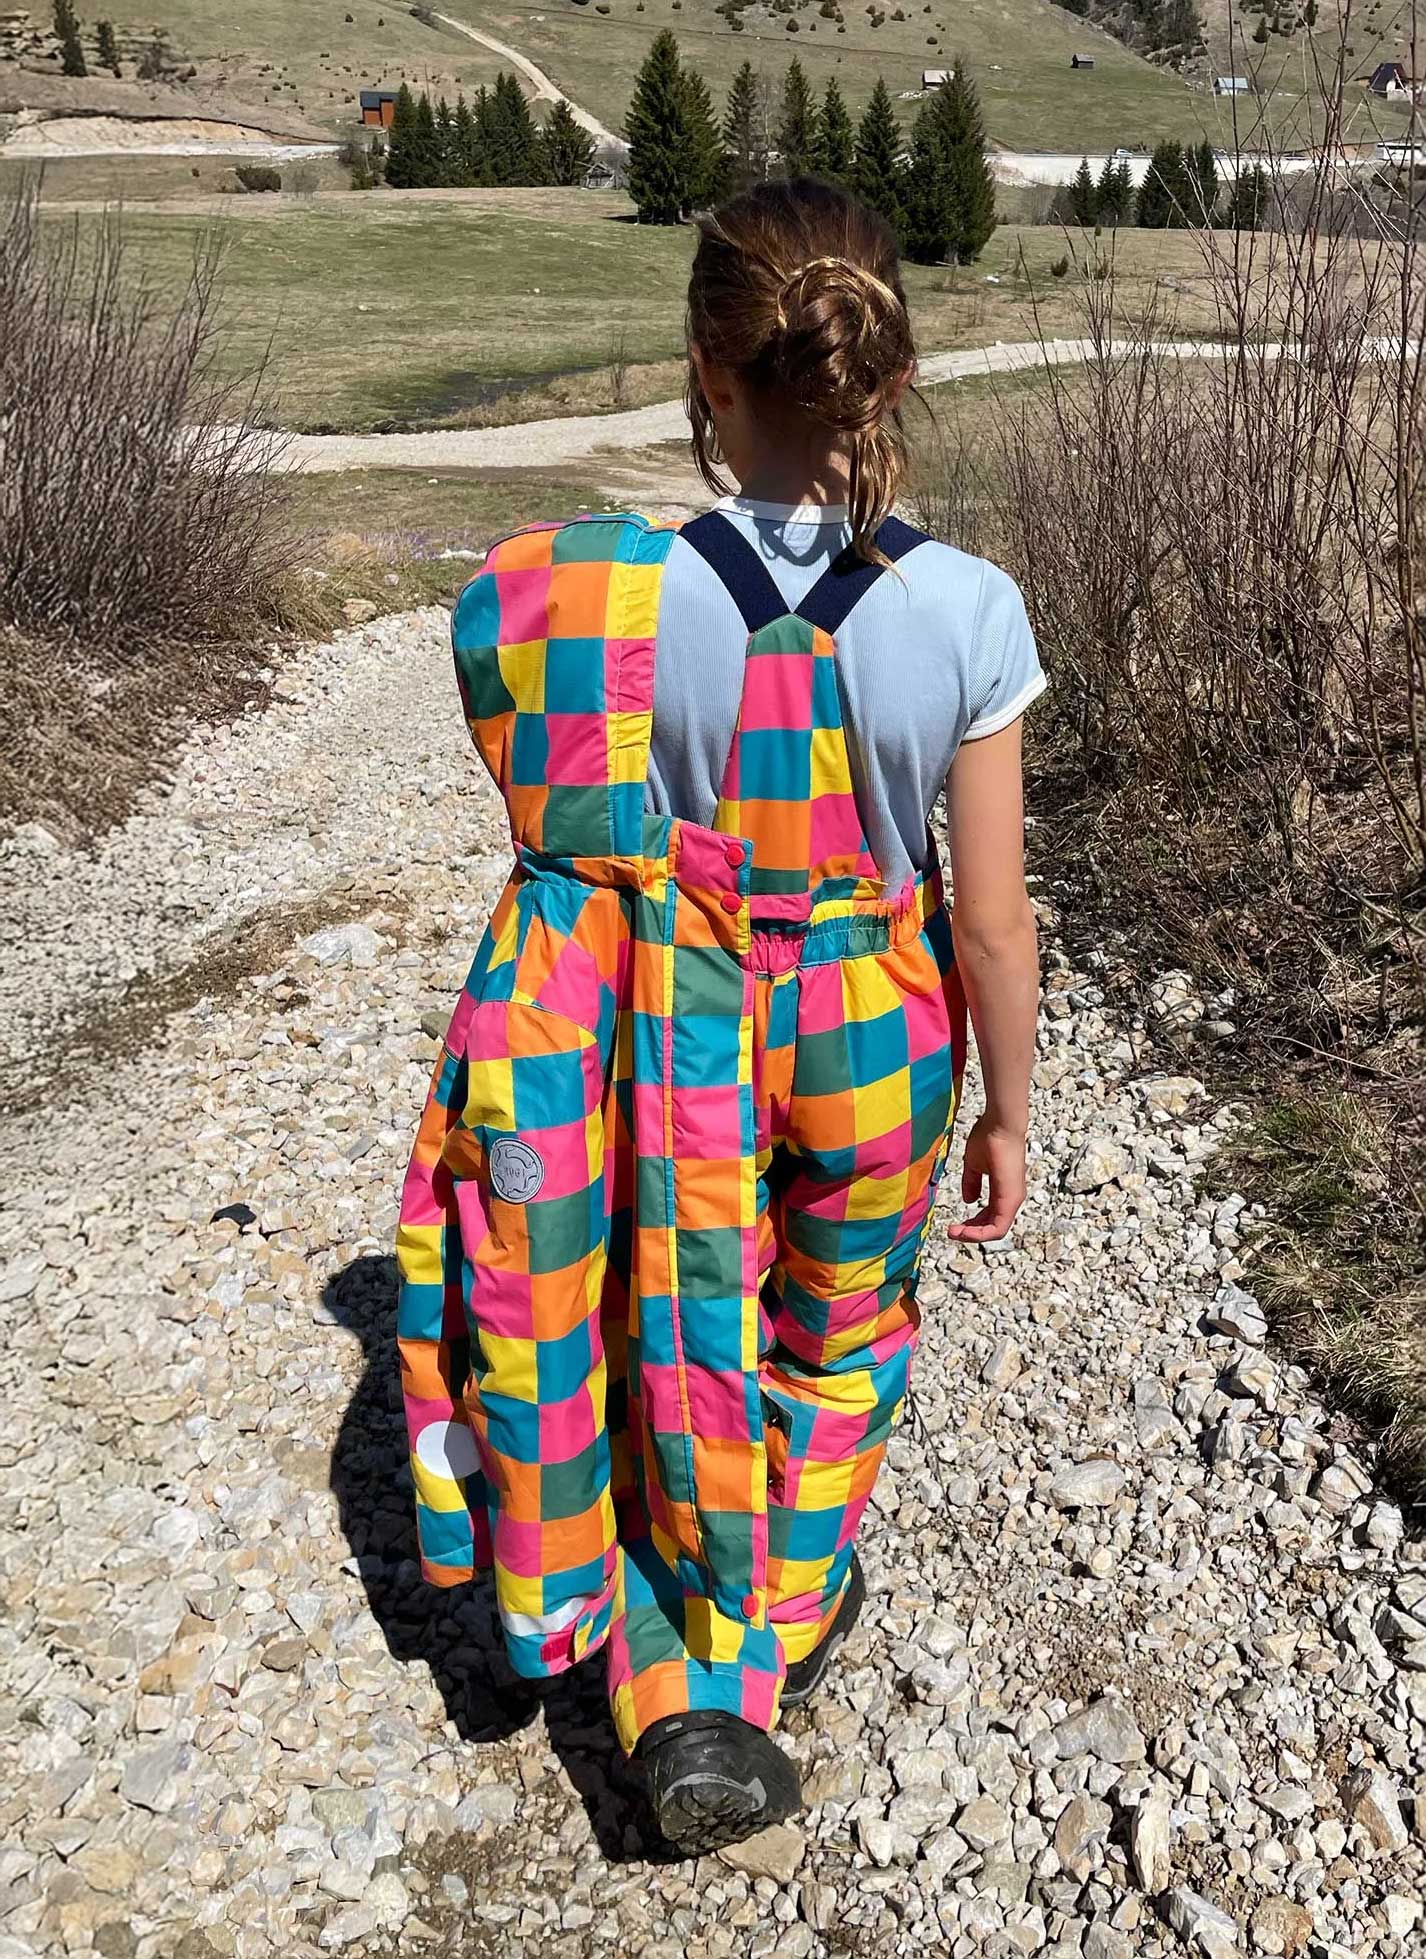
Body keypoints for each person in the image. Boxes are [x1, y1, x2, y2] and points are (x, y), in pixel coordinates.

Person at [395, 176, 1043, 1855]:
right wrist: (1009, 1110)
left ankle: (673, 1665)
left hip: (656, 1026)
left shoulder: (575, 593)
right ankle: (774, 1607)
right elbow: (986, 915)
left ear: (705, 367)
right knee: (834, 1336)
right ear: (888, 370)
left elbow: (553, 846)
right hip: (871, 1027)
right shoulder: (965, 607)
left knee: (649, 1326)